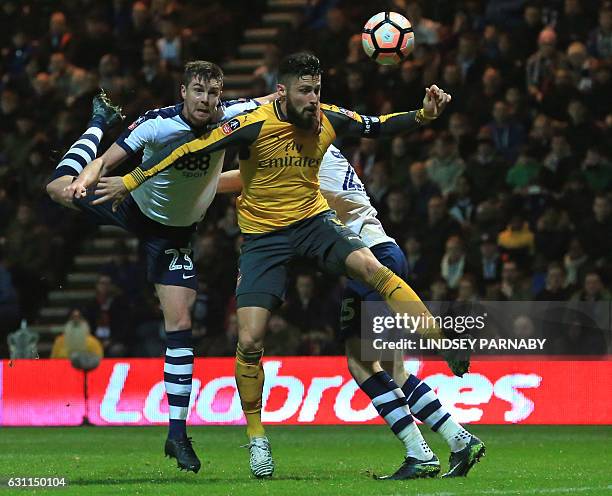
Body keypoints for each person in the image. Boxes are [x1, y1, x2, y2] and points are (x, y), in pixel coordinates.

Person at [80, 52, 466, 479]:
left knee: (374, 269)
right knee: (249, 339)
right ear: (282, 91)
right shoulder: (252, 123)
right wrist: (133, 179)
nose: (314, 99)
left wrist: (422, 116)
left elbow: (376, 125)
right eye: (305, 91)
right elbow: (196, 147)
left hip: (313, 222)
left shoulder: (328, 120)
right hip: (265, 240)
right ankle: (258, 439)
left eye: (317, 90)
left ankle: (442, 343)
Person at [47, 61, 267, 473]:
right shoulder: (154, 124)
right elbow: (106, 165)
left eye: (214, 93)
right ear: (183, 91)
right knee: (57, 189)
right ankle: (97, 122)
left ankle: (177, 434)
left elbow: (274, 100)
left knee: (180, 322)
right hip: (130, 205)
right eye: (198, 92)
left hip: (175, 235)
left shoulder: (234, 117)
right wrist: (88, 175)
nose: (206, 101)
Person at [219, 141, 486, 479]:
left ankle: (426, 448)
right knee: (388, 366)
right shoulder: (325, 152)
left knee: (365, 365)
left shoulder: (305, 153)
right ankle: (455, 441)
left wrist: (200, 183)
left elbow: (247, 179)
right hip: (378, 254)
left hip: (368, 259)